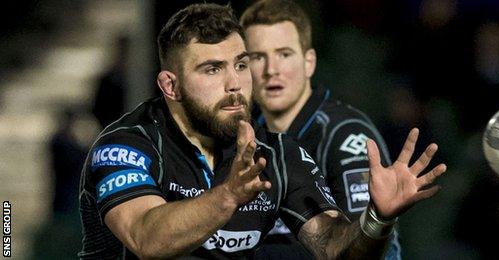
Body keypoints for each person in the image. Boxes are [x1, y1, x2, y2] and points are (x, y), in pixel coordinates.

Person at [78, 3, 446, 259]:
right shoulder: (126, 145)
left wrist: (376, 219)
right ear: (170, 86)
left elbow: (335, 249)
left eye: (240, 64)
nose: (234, 83)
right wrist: (227, 196)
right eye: (211, 69)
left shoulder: (276, 155)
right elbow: (146, 238)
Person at [240, 1, 401, 258]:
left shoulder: (346, 135)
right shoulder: (244, 135)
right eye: (258, 57)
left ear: (309, 63)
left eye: (284, 54)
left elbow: (363, 252)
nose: (272, 70)